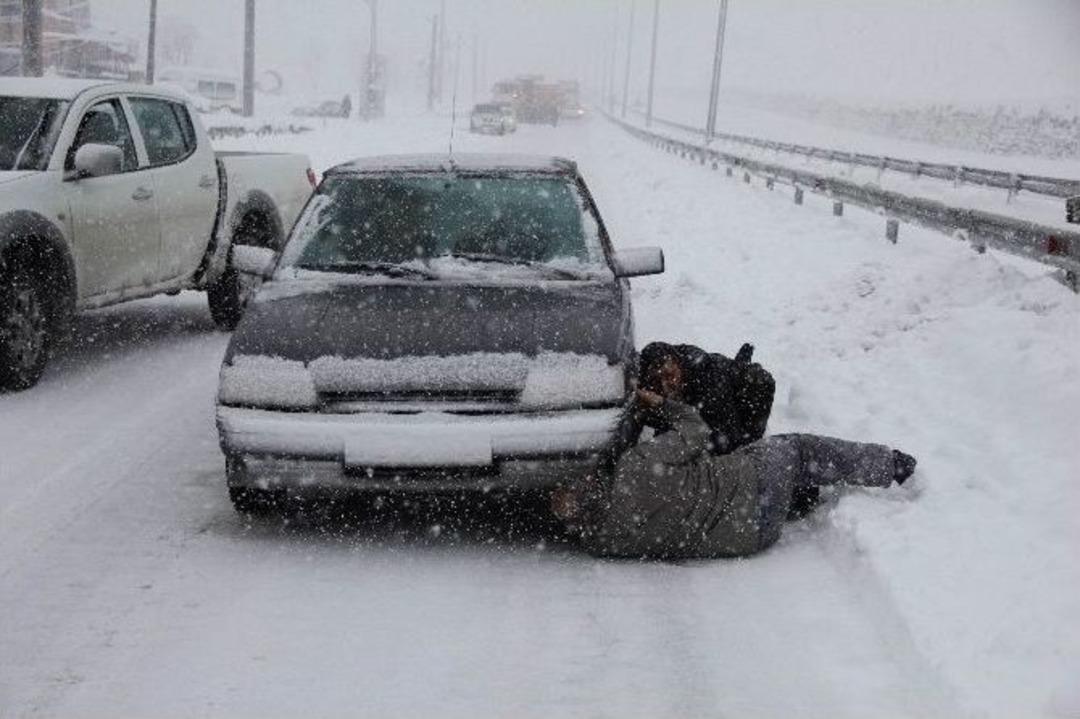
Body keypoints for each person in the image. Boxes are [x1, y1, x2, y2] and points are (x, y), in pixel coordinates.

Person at [553, 351, 917, 560]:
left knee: (776, 474)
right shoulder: (637, 466)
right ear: (593, 481)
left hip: (750, 538)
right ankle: (891, 465)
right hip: (753, 489)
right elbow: (697, 431)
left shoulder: (605, 543)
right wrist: (659, 403)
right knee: (796, 449)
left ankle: (804, 496)